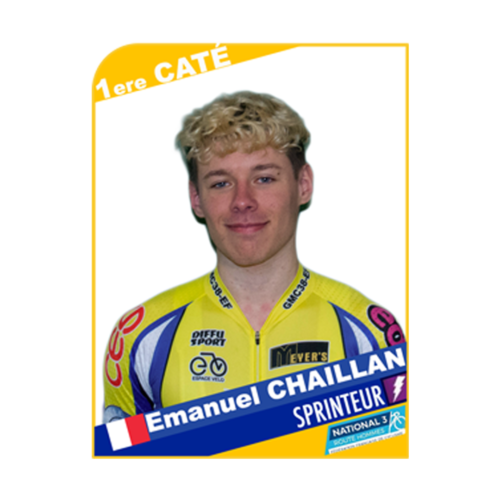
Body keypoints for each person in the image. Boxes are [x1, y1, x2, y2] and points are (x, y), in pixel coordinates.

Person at [103, 91, 405, 423]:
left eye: (264, 179)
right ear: (196, 198)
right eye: (221, 183)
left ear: (303, 184)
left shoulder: (368, 332)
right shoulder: (141, 335)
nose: (242, 201)